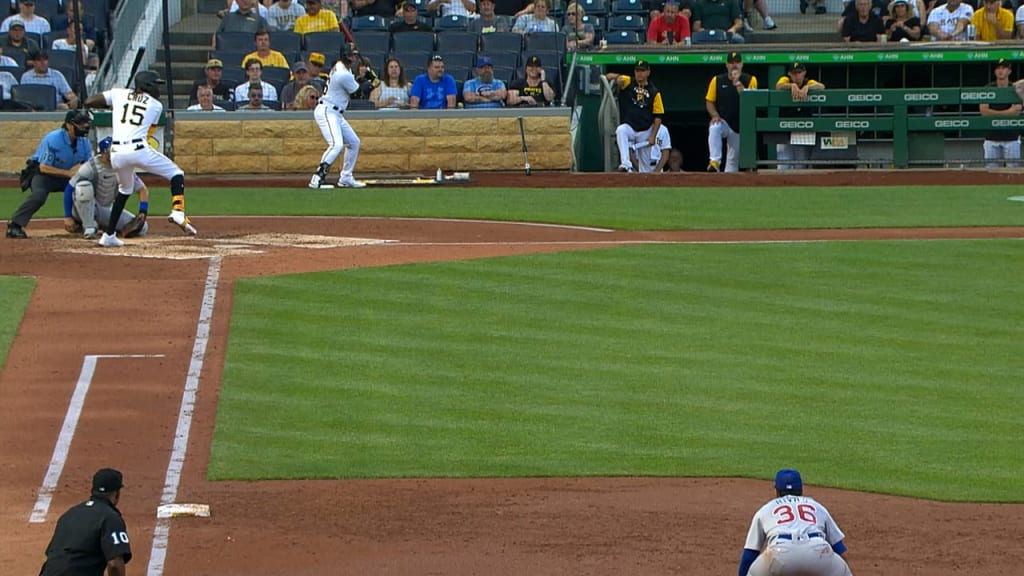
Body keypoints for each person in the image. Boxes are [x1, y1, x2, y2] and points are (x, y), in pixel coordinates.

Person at [83, 70, 196, 247]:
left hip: (117, 153)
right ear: (147, 85)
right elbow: (144, 125)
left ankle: (109, 235)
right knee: (176, 173)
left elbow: (89, 101)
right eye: (156, 85)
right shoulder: (156, 105)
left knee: (125, 190)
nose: (158, 89)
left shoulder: (118, 94)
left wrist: (115, 104)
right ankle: (178, 211)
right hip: (138, 148)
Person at [738, 469, 853, 576]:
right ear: (801, 490)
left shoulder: (766, 510)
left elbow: (749, 555)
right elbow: (839, 548)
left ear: (777, 491)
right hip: (818, 552)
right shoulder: (817, 507)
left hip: (780, 555)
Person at [6, 109, 91, 239]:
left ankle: (85, 223)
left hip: (65, 175)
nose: (84, 127)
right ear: (69, 125)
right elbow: (44, 167)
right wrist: (69, 173)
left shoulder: (84, 142)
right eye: (80, 123)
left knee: (85, 189)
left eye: (86, 123)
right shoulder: (54, 138)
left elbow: (86, 163)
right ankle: (15, 225)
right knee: (39, 195)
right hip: (42, 174)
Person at [39, 468, 132, 576]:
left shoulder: (69, 515)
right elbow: (114, 564)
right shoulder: (111, 518)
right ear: (116, 494)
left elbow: (54, 554)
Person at [63, 137, 150, 239]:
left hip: (105, 209)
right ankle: (89, 227)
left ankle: (103, 226)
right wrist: (68, 216)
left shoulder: (123, 167)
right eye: (110, 152)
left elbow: (142, 189)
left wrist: (143, 211)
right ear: (103, 153)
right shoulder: (90, 166)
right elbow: (69, 188)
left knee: (142, 227)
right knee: (83, 187)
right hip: (82, 208)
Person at [309, 43, 366, 189]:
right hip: (327, 111)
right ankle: (317, 179)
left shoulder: (343, 67)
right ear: (343, 55)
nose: (352, 58)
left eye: (354, 55)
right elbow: (358, 93)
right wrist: (369, 80)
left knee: (354, 142)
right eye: (349, 55)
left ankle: (346, 178)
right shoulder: (343, 74)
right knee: (336, 144)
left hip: (336, 113)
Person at [605, 60, 664, 173]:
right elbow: (607, 76)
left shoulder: (654, 91)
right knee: (621, 130)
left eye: (642, 71)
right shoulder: (629, 82)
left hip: (645, 130)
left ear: (648, 72)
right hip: (630, 127)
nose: (639, 73)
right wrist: (618, 78)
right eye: (637, 70)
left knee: (646, 168)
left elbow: (658, 116)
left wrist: (653, 136)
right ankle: (626, 163)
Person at [705, 50, 756, 172]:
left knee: (732, 163)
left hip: (741, 126)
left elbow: (749, 101)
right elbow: (709, 101)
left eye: (737, 62)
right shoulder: (717, 80)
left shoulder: (750, 79)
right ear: (726, 64)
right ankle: (715, 161)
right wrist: (715, 115)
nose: (734, 65)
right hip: (724, 122)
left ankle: (726, 186)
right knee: (714, 127)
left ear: (742, 64)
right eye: (731, 62)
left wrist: (737, 82)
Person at [775, 62, 824, 170]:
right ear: (789, 74)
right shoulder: (785, 80)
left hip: (802, 130)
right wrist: (792, 85)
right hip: (784, 128)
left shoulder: (808, 82)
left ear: (804, 73)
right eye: (794, 73)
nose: (796, 76)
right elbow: (778, 86)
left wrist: (807, 88)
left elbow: (821, 86)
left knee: (800, 166)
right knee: (783, 165)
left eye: (799, 73)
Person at [980, 58, 1021, 168]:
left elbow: (1016, 111)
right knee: (990, 173)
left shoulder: (1016, 88)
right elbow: (983, 111)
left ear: (1009, 71)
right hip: (991, 137)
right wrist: (1007, 113)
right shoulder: (988, 88)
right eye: (998, 68)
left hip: (1011, 137)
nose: (1000, 71)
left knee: (1013, 173)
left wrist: (994, 114)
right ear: (994, 71)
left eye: (1004, 68)